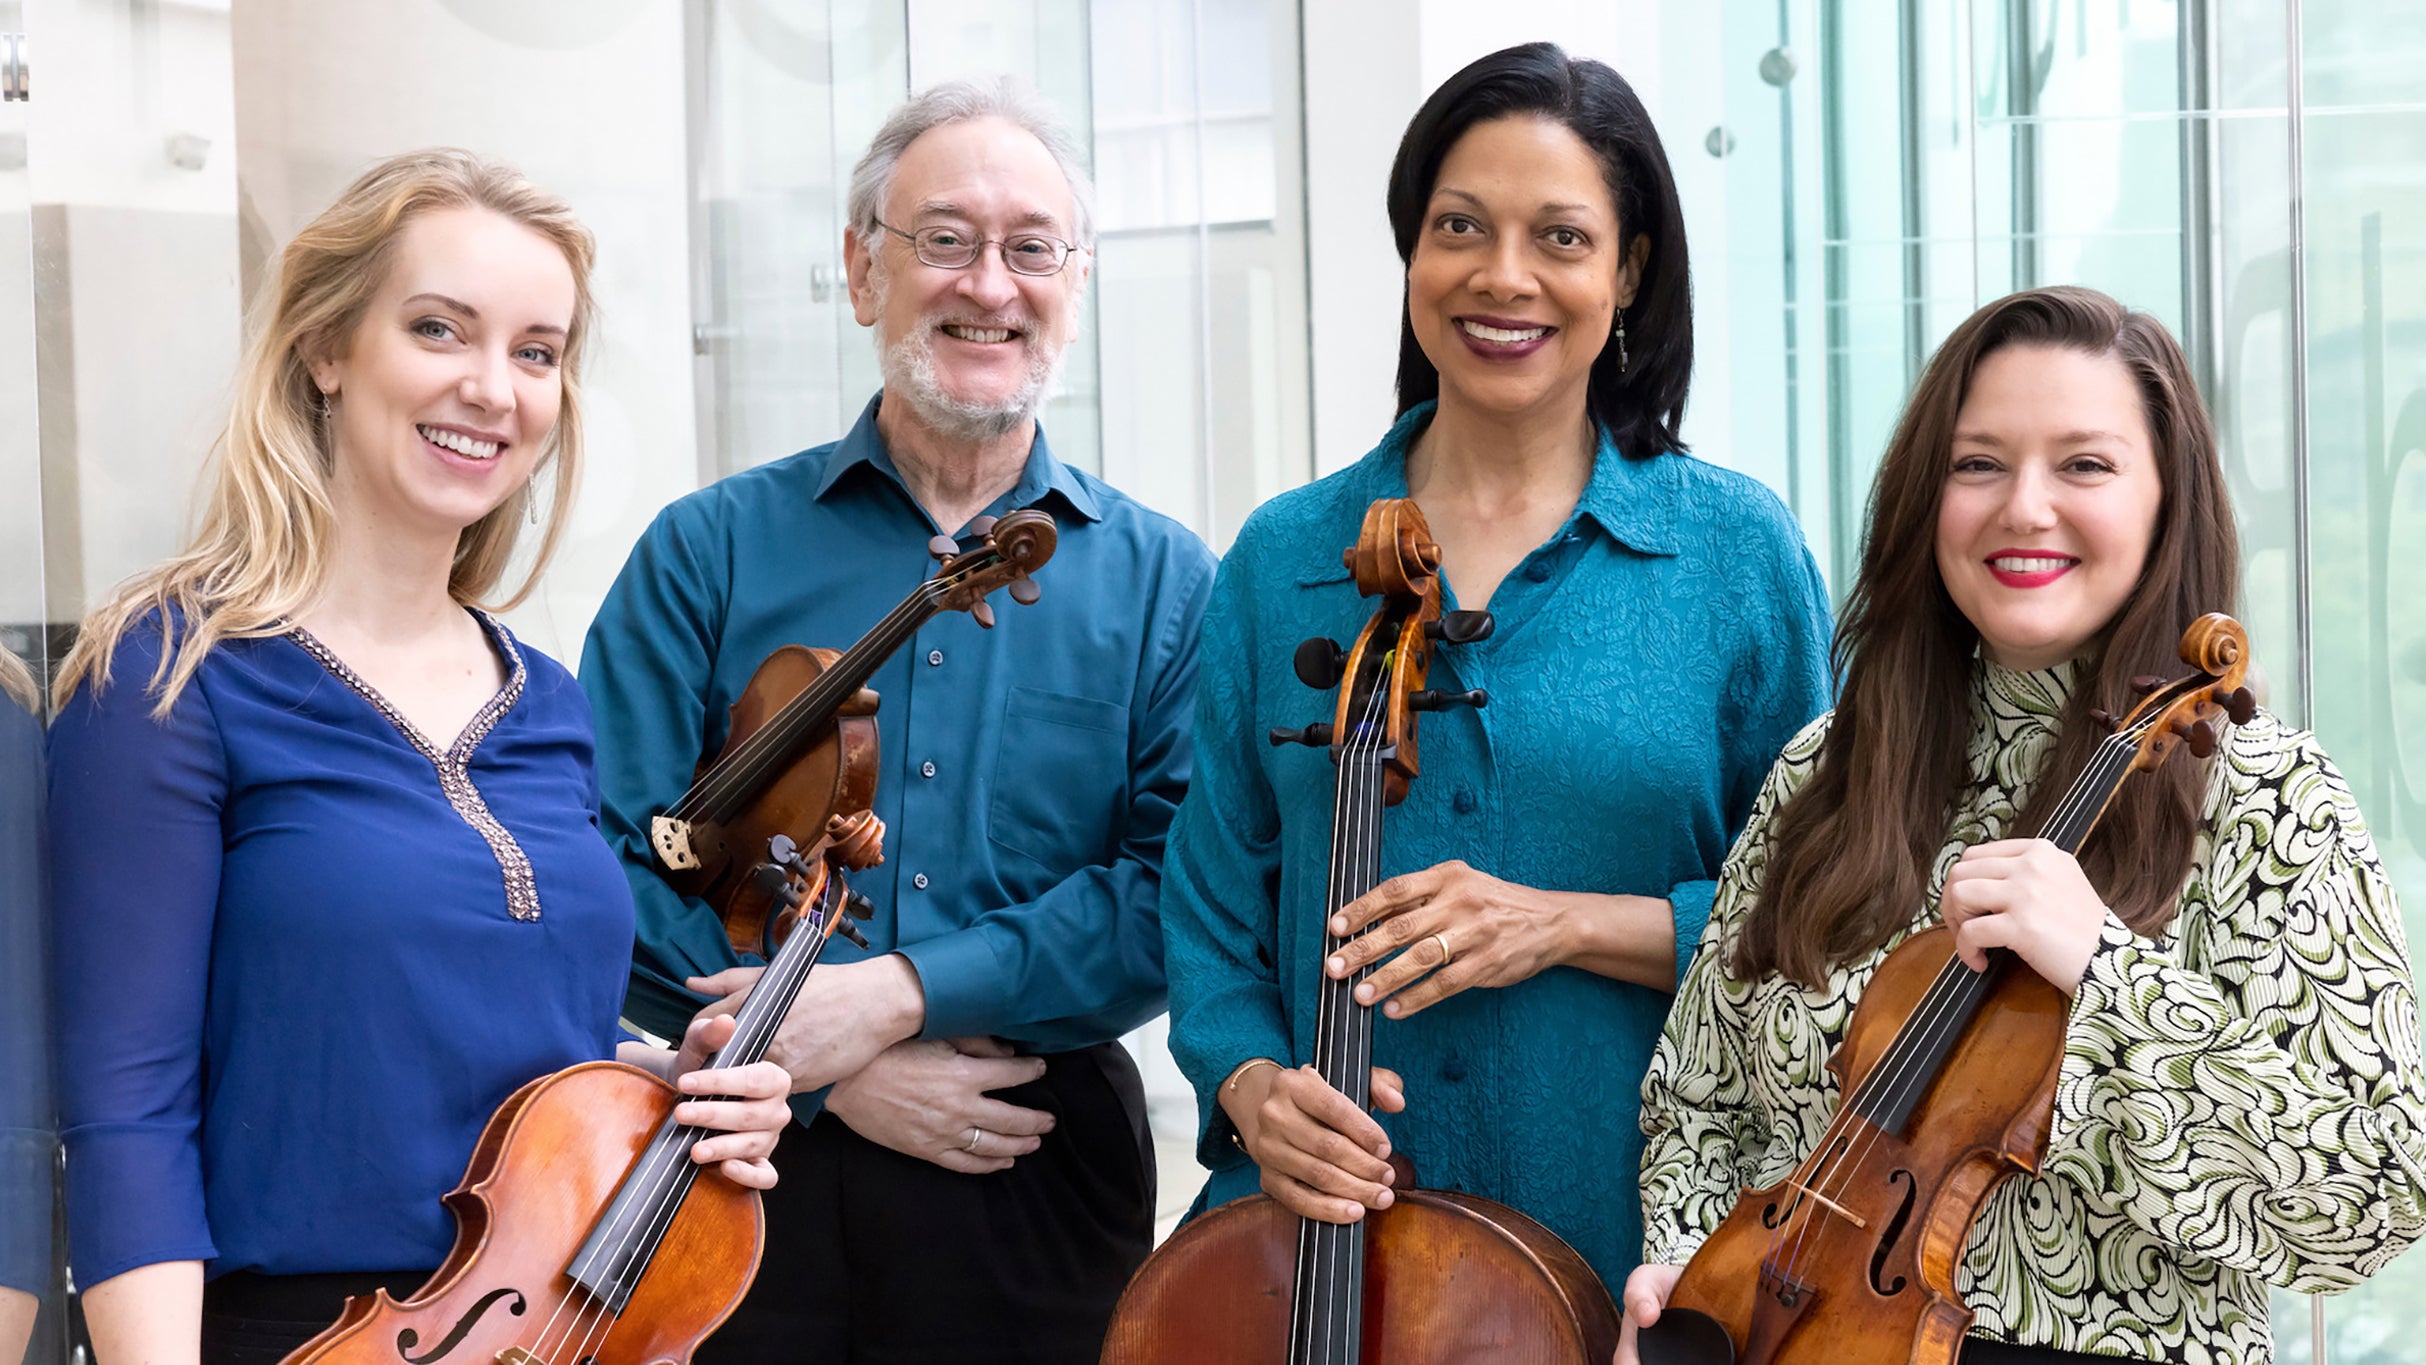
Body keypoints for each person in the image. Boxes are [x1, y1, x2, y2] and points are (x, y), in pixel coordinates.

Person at [47, 149, 794, 1365]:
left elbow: (474, 1043)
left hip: (548, 1329)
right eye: (439, 329)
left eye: (536, 352)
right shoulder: (168, 675)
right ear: (325, 349)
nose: (492, 388)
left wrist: (667, 1085)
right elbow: (126, 1114)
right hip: (302, 1333)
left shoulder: (545, 699)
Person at [1625, 286, 2426, 1365]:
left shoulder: (2263, 796)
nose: (2024, 508)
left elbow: (2373, 1192)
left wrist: (2106, 974)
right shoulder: (1825, 768)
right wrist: (1687, 1277)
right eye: (1978, 464)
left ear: (2164, 501)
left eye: (2084, 465)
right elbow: (1699, 1100)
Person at [1159, 41, 1834, 1295]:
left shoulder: (1735, 555)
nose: (1501, 275)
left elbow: (1826, 909)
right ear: (1411, 252)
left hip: (1634, 1250)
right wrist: (1248, 1085)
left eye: (1560, 238)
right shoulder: (1281, 556)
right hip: (1312, 1259)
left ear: (1628, 270)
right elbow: (1210, 907)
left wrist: (1563, 925)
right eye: (1458, 227)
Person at [579, 79, 1215, 1362]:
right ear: (863, 270)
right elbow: (600, 855)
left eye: (1030, 248)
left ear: (1075, 286)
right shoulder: (706, 551)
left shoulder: (1163, 582)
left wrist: (898, 997)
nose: (989, 284)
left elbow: (1175, 893)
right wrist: (813, 1065)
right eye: (945, 239)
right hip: (734, 1148)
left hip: (1030, 1152)